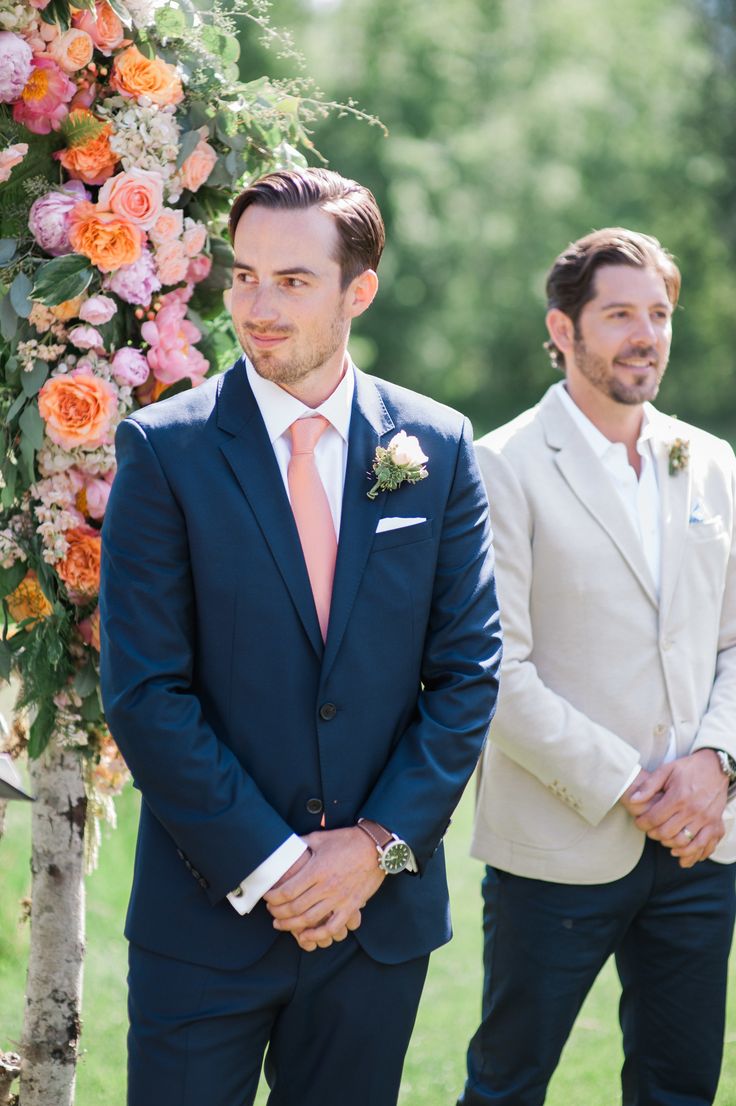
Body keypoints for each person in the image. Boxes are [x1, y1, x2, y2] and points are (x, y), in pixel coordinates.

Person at [100, 167, 501, 1106]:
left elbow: (468, 674)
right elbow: (146, 693)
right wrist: (279, 868)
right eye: (243, 276)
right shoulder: (164, 451)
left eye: (292, 280)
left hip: (377, 926)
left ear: (359, 289)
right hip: (205, 920)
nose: (258, 305)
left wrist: (374, 849)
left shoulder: (436, 448)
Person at [458, 227, 736, 1106]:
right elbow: (495, 672)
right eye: (618, 314)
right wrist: (634, 785)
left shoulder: (713, 463)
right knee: (507, 1088)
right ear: (563, 328)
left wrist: (715, 765)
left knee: (681, 1088)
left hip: (703, 843)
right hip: (558, 843)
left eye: (658, 313)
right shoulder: (499, 466)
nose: (644, 334)